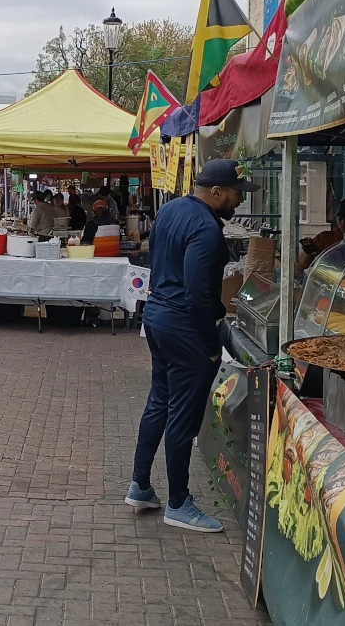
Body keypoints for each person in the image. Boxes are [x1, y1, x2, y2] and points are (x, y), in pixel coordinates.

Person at [126, 158, 256, 534]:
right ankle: (179, 502)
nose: (238, 202)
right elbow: (199, 291)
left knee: (159, 403)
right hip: (185, 327)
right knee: (182, 416)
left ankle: (140, 486)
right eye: (235, 194)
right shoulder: (207, 229)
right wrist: (209, 342)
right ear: (216, 193)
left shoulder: (169, 211)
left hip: (158, 317)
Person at [298, 197, 345, 271]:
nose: (343, 223)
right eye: (340, 219)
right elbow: (302, 264)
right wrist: (308, 252)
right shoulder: (325, 237)